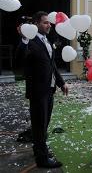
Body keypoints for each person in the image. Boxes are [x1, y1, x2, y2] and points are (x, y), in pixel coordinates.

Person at [19, 11, 68, 168]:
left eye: (49, 22)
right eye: (45, 22)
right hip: (38, 91)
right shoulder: (30, 41)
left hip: (49, 89)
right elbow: (20, 58)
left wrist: (61, 83)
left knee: (44, 124)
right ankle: (42, 159)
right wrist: (24, 38)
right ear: (36, 24)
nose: (49, 25)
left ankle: (39, 150)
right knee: (39, 124)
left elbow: (51, 64)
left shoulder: (46, 40)